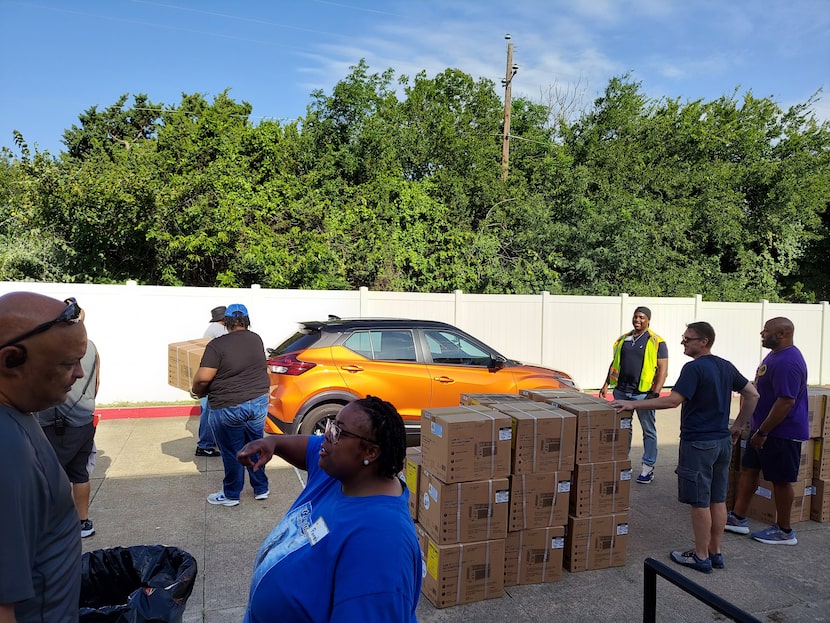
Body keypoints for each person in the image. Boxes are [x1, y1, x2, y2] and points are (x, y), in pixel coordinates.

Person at [237, 396, 422, 622]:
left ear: (370, 453)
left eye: (338, 432)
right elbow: (308, 447)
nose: (326, 435)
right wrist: (273, 444)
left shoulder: (382, 543)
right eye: (331, 425)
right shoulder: (341, 472)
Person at [611, 321, 759, 573]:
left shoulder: (694, 368)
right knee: (717, 498)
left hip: (699, 444)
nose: (683, 342)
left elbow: (673, 402)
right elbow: (752, 394)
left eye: (688, 339)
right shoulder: (725, 366)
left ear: (704, 341)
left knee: (700, 502)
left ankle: (700, 557)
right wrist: (738, 426)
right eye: (683, 338)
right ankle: (715, 551)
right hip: (722, 442)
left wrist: (633, 405)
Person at [0, 292, 87, 622]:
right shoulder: (5, 450)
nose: (79, 373)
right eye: (67, 364)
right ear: (11, 360)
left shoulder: (19, 414)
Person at [725, 317, 809, 545]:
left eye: (767, 331)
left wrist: (763, 432)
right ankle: (738, 518)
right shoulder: (774, 355)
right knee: (749, 470)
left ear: (782, 334)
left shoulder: (788, 362)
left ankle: (784, 530)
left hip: (780, 432)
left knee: (781, 481)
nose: (762, 333)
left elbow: (785, 402)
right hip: (761, 429)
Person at [192, 303, 269, 506]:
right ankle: (261, 488)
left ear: (225, 322)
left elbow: (203, 378)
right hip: (258, 401)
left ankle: (231, 495)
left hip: (228, 404)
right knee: (255, 444)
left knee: (232, 450)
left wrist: (197, 391)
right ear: (247, 320)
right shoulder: (256, 339)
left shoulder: (217, 345)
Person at [36, 337, 100, 538]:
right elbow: (97, 382)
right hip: (84, 418)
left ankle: (56, 524)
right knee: (80, 472)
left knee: (52, 475)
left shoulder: (51, 344)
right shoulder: (91, 346)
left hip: (55, 422)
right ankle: (83, 522)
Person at [600, 306, 669, 483]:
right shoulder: (624, 339)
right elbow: (615, 362)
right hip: (622, 391)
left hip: (643, 394)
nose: (637, 320)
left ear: (648, 320)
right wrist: (606, 384)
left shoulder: (656, 341)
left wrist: (656, 392)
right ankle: (624, 463)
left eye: (642, 317)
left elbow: (663, 369)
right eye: (635, 316)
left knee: (648, 430)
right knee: (624, 428)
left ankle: (648, 467)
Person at [194, 305, 228, 458]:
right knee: (209, 411)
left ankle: (208, 441)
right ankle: (204, 445)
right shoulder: (219, 330)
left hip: (209, 374)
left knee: (209, 411)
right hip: (212, 377)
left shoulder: (213, 328)